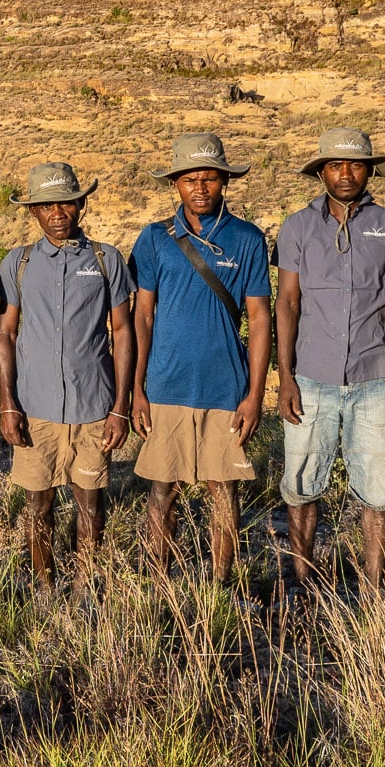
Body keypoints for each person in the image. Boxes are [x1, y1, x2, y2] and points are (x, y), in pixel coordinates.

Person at [273, 128, 385, 589]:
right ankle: (303, 580)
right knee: (301, 484)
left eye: (355, 164)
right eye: (335, 165)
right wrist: (285, 377)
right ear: (321, 171)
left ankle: (373, 585)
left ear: (369, 169)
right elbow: (287, 302)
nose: (345, 173)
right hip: (310, 376)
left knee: (379, 487)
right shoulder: (298, 227)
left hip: (375, 376)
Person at [130, 133, 272, 580]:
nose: (200, 188)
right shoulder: (154, 239)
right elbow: (143, 317)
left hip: (225, 386)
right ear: (176, 183)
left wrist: (254, 394)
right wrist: (136, 388)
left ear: (224, 181)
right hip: (166, 383)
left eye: (209, 178)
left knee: (223, 489)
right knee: (162, 490)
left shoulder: (247, 239)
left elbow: (260, 319)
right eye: (190, 179)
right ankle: (158, 585)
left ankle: (221, 585)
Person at [0, 162, 134, 585]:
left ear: (82, 204)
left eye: (67, 202)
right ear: (33, 211)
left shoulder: (106, 259)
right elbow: (5, 333)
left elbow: (123, 332)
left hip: (93, 405)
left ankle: (85, 585)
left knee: (91, 504)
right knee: (39, 505)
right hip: (36, 408)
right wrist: (7, 404)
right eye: (47, 205)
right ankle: (44, 584)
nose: (58, 213)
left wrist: (120, 407)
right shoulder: (17, 263)